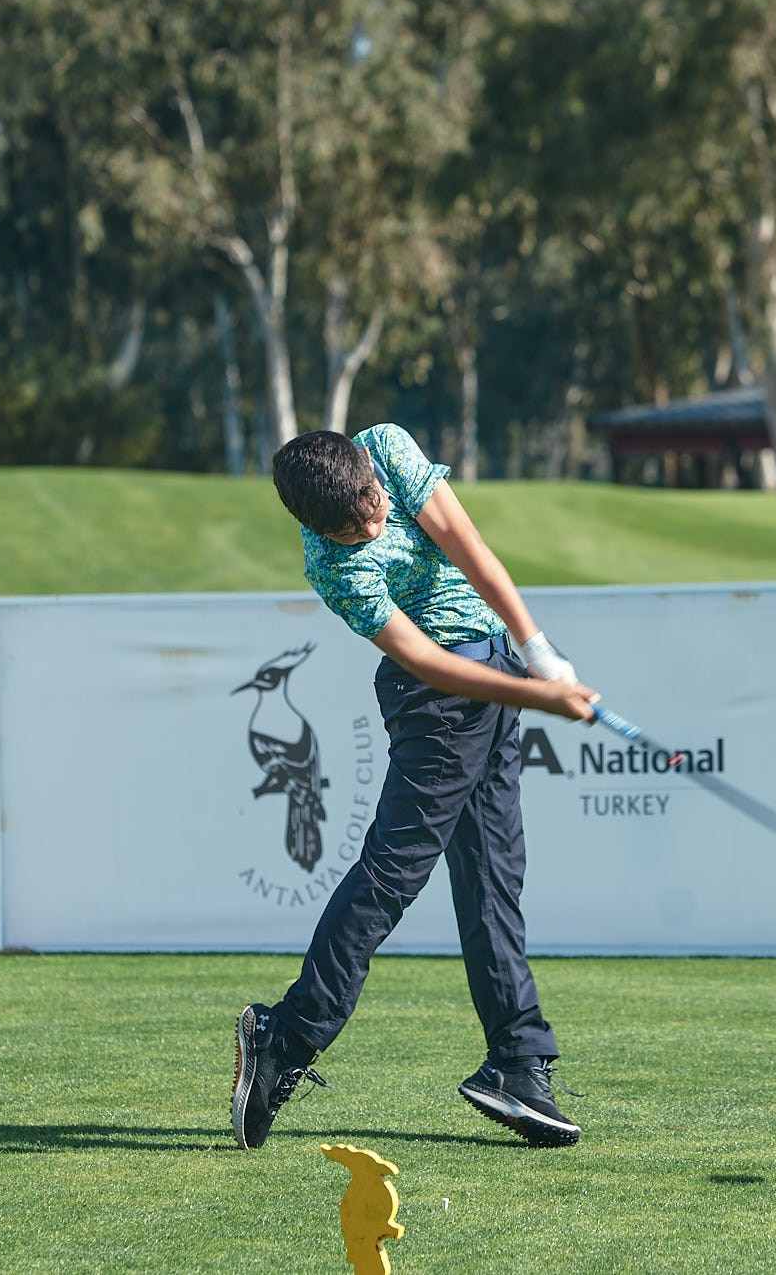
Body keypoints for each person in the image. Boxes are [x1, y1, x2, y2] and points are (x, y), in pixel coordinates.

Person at [232, 424, 600, 1151]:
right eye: (350, 524)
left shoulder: (390, 451)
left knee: (496, 877)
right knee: (391, 878)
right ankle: (285, 1037)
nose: (371, 521)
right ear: (317, 527)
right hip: (435, 703)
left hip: (496, 668)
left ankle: (517, 1064)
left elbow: (471, 549)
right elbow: (427, 660)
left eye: (371, 502)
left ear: (370, 469)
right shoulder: (334, 568)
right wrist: (534, 695)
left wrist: (535, 648)